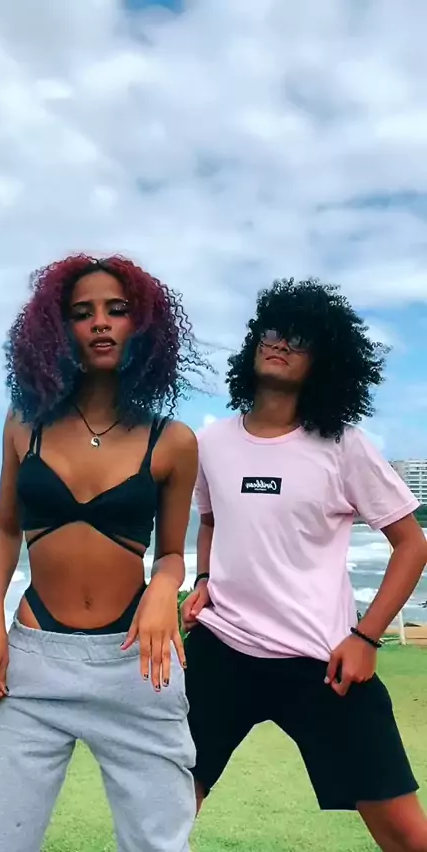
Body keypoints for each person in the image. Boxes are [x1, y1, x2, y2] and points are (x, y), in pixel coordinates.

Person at [0, 254, 207, 852]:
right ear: (56, 329)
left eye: (117, 310)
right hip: (31, 661)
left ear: (142, 327)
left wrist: (163, 589)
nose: (100, 322)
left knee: (157, 844)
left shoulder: (172, 441)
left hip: (137, 666)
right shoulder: (24, 424)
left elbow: (171, 554)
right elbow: (5, 531)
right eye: (82, 312)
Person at [181, 278, 427, 852]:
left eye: (301, 338)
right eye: (274, 330)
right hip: (223, 651)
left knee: (404, 833)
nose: (282, 343)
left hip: (322, 661)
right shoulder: (210, 443)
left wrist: (366, 637)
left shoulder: (343, 445)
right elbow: (211, 519)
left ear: (325, 361)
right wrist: (204, 579)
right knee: (164, 811)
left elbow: (412, 544)